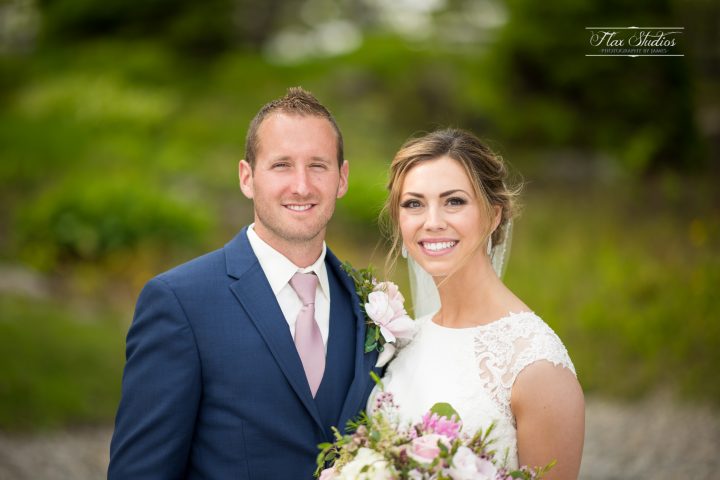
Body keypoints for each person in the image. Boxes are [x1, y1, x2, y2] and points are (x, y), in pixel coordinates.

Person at [109, 87, 380, 479]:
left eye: (318, 165)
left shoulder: (367, 305)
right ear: (247, 177)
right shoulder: (179, 302)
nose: (301, 185)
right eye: (282, 165)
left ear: (342, 178)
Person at [375, 129, 585, 479]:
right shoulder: (408, 338)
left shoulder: (536, 365)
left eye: (454, 201)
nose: (433, 222)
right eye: (414, 203)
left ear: (493, 215)